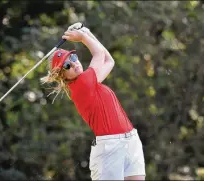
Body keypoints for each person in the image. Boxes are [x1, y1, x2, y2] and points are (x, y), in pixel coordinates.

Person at [41, 24, 146, 180]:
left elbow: (109, 60)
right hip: (109, 148)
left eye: (73, 57)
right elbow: (98, 54)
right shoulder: (82, 84)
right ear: (62, 76)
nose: (74, 63)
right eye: (67, 65)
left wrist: (88, 33)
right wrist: (83, 38)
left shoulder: (91, 82)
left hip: (130, 140)